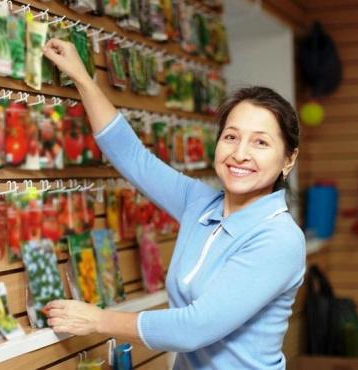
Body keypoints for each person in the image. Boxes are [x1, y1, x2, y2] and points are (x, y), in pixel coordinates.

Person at [41, 38, 306, 370]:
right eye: (231, 136)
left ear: (288, 159)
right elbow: (134, 158)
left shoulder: (278, 239)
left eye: (261, 142)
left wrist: (98, 320)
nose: (240, 154)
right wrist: (82, 78)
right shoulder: (201, 204)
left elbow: (195, 328)